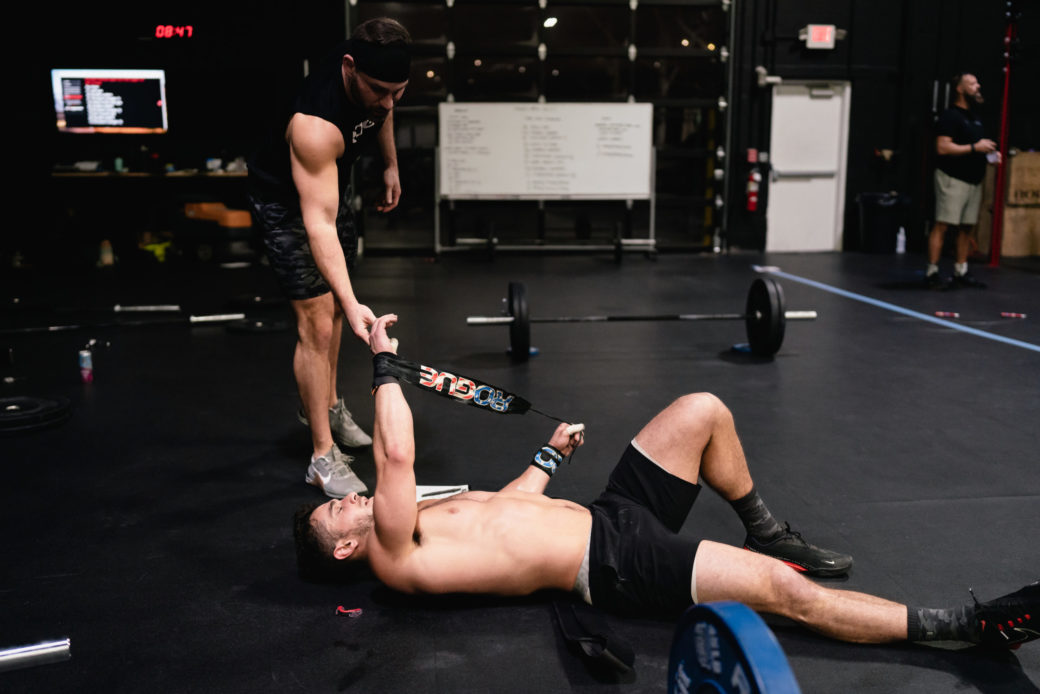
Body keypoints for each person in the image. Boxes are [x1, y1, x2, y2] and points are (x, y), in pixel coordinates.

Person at [292, 314, 1038, 649]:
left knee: (701, 409)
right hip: (611, 564)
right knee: (788, 594)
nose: (347, 501)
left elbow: (511, 511)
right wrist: (385, 364)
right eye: (338, 515)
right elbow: (394, 460)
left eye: (343, 501)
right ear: (343, 551)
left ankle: (768, 526)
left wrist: (550, 455)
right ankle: (962, 628)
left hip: (607, 514)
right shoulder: (394, 551)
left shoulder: (422, 524)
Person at [247, 18, 412, 497]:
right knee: (318, 322)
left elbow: (383, 110)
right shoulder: (314, 124)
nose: (388, 102)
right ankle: (321, 454)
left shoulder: (376, 70)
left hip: (328, 186)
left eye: (398, 92)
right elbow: (317, 225)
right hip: (286, 202)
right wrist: (353, 297)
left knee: (337, 310)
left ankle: (330, 403)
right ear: (348, 67)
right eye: (380, 90)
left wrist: (390, 164)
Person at [925, 72, 1001, 290]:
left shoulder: (975, 118)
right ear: (960, 88)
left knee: (967, 228)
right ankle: (932, 271)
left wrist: (989, 156)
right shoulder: (950, 116)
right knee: (943, 224)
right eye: (972, 83)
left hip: (973, 180)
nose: (977, 86)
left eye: (977, 82)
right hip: (952, 179)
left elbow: (977, 147)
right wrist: (975, 148)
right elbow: (942, 147)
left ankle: (961, 271)